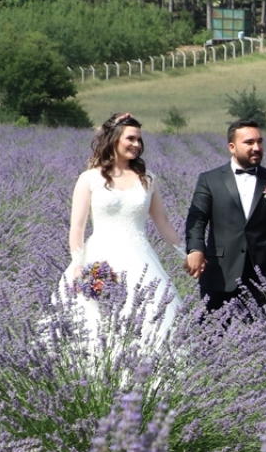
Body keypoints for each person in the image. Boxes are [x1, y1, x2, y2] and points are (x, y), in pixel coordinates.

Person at [61, 112, 185, 343]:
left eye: (139, 140)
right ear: (114, 139)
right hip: (98, 258)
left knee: (150, 322)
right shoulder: (89, 178)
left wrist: (185, 253)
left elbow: (163, 222)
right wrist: (78, 267)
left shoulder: (147, 179)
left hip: (140, 260)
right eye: (130, 138)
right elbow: (76, 227)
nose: (136, 144)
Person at [184, 119, 266, 315]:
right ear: (232, 147)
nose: (257, 147)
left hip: (263, 276)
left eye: (260, 142)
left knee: (264, 339)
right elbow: (197, 218)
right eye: (249, 142)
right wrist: (195, 249)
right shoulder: (210, 180)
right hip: (219, 273)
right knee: (212, 337)